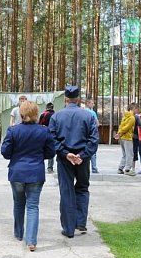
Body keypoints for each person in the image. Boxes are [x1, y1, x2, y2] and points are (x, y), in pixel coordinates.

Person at [2, 101, 55, 252]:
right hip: (36, 172)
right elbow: (51, 152)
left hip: (17, 172)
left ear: (21, 114)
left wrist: (16, 155)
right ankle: (31, 241)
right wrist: (38, 156)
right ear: (36, 114)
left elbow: (5, 152)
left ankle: (19, 233)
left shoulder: (13, 131)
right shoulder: (44, 131)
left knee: (18, 203)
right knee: (33, 206)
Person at [49, 86, 99, 238]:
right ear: (78, 99)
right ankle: (81, 222)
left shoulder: (56, 117)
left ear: (66, 99)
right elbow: (94, 139)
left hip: (65, 160)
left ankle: (69, 229)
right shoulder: (88, 116)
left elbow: (52, 139)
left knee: (66, 191)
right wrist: (82, 155)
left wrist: (66, 153)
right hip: (82, 160)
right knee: (82, 188)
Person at [115, 103, 139, 177]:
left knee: (125, 154)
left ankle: (120, 168)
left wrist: (119, 133)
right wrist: (120, 133)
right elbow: (127, 127)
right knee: (130, 154)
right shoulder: (132, 117)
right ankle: (127, 170)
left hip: (122, 138)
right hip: (127, 138)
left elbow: (121, 125)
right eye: (137, 109)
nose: (137, 110)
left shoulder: (125, 116)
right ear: (134, 108)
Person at [83, 98, 100, 174]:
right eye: (92, 103)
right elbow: (97, 124)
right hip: (92, 134)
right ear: (88, 103)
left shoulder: (82, 111)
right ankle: (94, 168)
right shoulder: (92, 112)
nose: (93, 105)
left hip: (83, 133)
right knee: (93, 151)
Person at [38, 102, 56, 173]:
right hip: (52, 135)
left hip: (43, 134)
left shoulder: (43, 114)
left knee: (40, 150)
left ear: (46, 108)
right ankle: (50, 168)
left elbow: (39, 125)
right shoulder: (55, 115)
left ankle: (39, 166)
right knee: (51, 150)